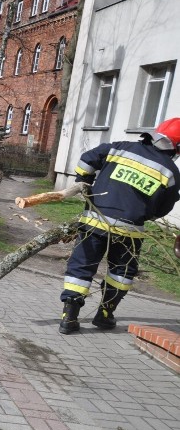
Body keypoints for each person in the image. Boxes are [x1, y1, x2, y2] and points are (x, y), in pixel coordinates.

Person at [58, 117, 180, 334]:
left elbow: (87, 160)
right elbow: (164, 208)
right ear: (176, 147)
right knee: (122, 272)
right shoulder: (170, 171)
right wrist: (147, 212)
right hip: (130, 231)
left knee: (82, 265)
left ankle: (69, 316)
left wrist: (84, 181)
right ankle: (105, 314)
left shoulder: (119, 148)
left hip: (94, 221)